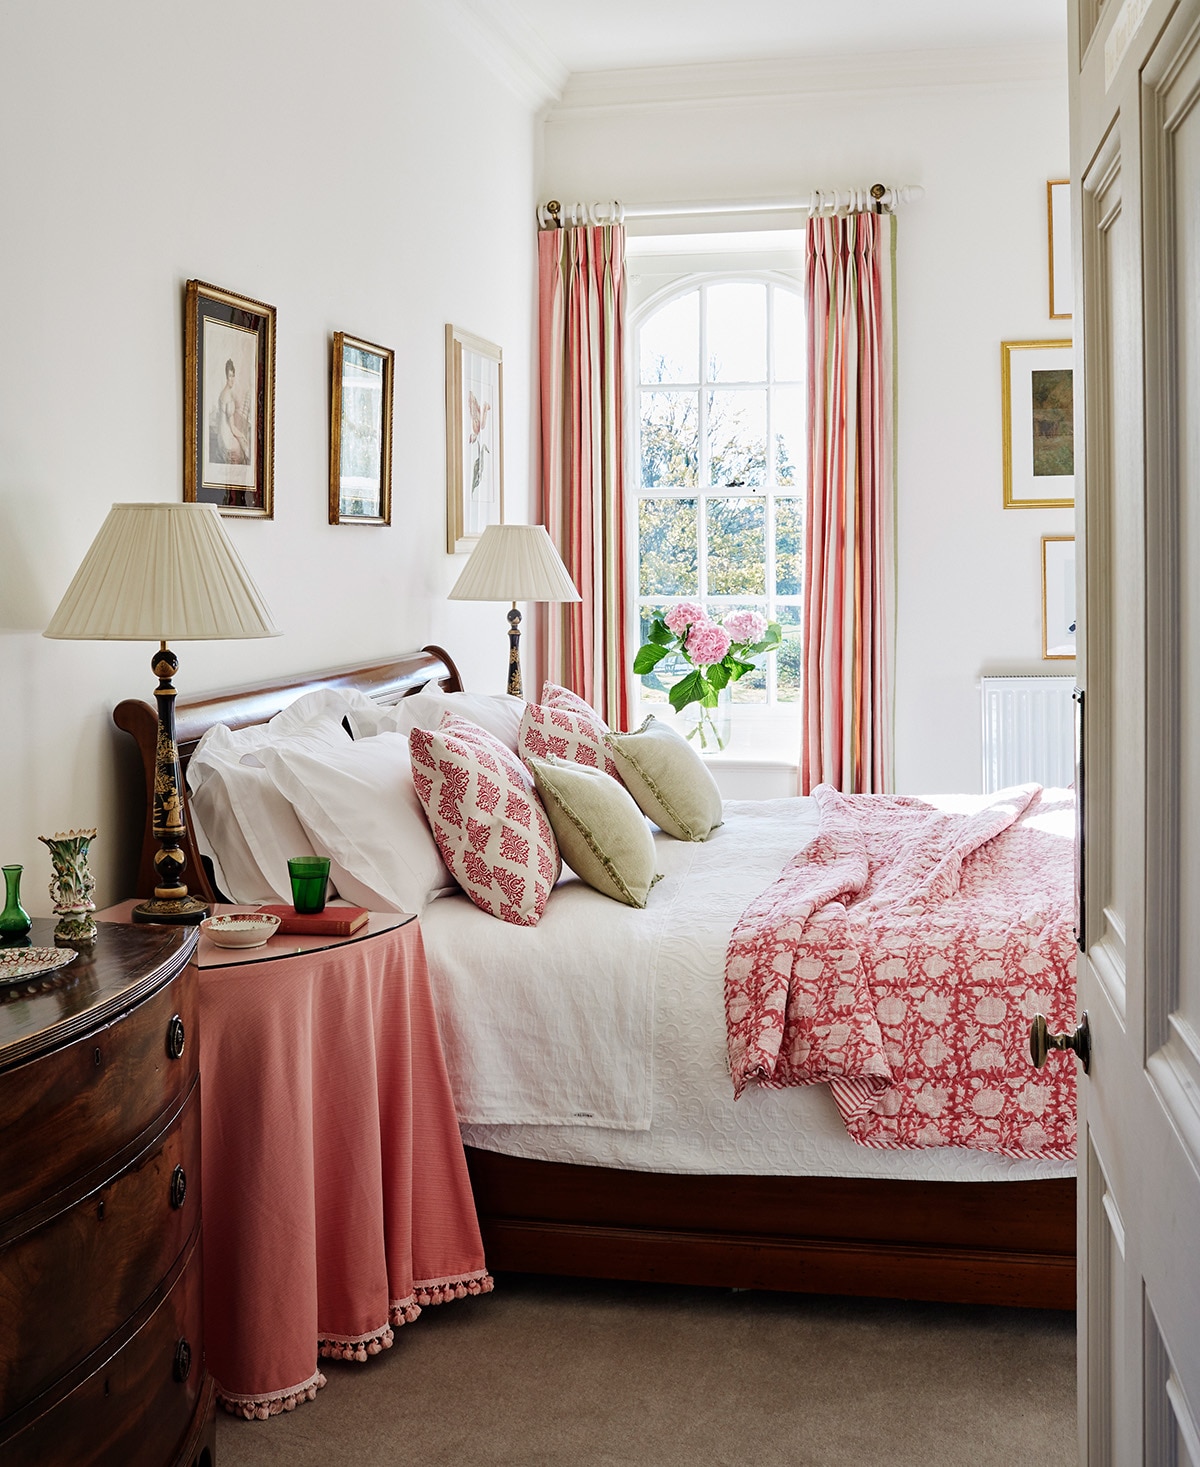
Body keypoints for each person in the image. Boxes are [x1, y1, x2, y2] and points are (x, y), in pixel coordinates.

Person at [215, 358, 250, 465]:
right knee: (243, 448)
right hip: (226, 437)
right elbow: (233, 429)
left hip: (220, 435)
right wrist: (243, 437)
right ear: (226, 377)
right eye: (230, 376)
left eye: (233, 375)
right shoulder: (228, 398)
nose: (232, 379)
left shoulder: (223, 393)